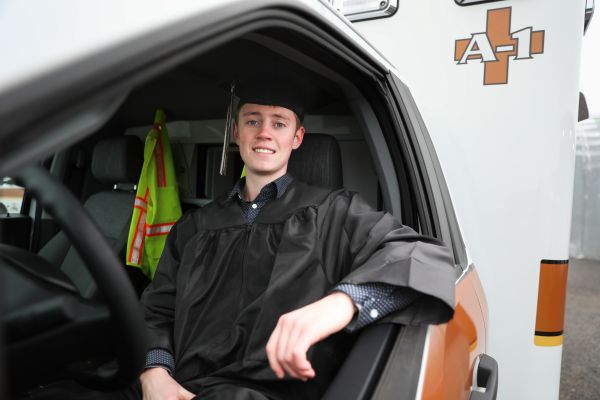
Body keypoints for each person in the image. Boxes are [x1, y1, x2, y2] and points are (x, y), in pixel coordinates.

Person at [137, 79, 456, 400]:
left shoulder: (334, 212)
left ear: (297, 137)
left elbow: (420, 256)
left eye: (279, 123)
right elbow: (158, 309)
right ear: (237, 133)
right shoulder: (194, 227)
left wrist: (341, 304)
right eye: (252, 121)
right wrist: (154, 372)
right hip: (176, 389)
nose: (264, 132)